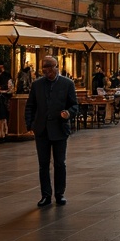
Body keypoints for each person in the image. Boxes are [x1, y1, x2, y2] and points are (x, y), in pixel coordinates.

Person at [25, 55, 79, 207]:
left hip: (60, 129)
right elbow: (30, 106)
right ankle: (46, 195)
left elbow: (74, 105)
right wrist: (30, 125)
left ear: (57, 67)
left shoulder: (67, 84)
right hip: (41, 130)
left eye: (50, 67)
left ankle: (60, 194)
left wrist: (68, 113)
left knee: (60, 163)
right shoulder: (37, 85)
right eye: (44, 68)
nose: (47, 71)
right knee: (43, 164)